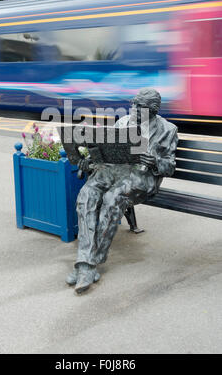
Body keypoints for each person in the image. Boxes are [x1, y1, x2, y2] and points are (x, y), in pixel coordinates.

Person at [66, 88, 178, 294]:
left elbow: (169, 166)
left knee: (112, 197)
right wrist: (89, 160)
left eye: (140, 107)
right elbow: (108, 154)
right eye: (133, 104)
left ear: (153, 111)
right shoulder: (123, 123)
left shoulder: (167, 130)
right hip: (115, 171)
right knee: (86, 195)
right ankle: (87, 263)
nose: (134, 109)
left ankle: (88, 265)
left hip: (142, 178)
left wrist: (156, 162)